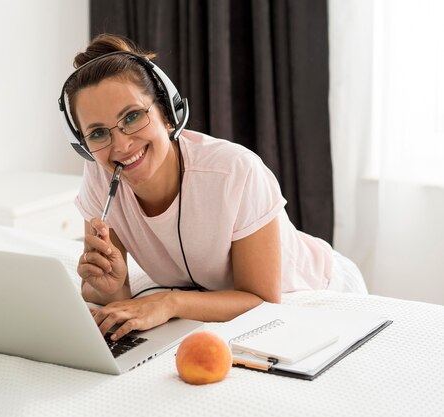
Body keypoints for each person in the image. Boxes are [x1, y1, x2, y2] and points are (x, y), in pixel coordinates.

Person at [59, 34, 367, 342]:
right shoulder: (100, 176)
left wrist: (169, 302)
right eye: (98, 133)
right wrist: (110, 286)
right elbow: (108, 290)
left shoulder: (234, 172)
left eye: (133, 116)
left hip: (319, 288)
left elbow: (260, 299)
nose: (121, 145)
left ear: (167, 114)